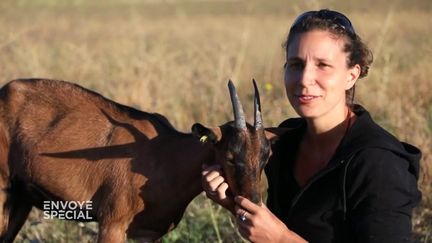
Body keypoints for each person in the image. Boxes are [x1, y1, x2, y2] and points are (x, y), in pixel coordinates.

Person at [201, 9, 421, 243]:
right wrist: (235, 201)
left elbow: (277, 236)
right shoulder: (286, 143)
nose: (305, 79)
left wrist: (282, 239)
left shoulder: (378, 163)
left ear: (352, 75)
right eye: (295, 64)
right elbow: (271, 229)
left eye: (323, 65)